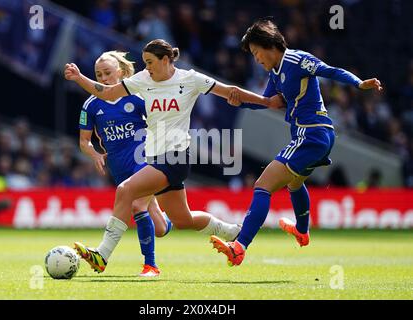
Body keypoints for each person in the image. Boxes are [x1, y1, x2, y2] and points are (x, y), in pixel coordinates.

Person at [65, 39, 284, 273]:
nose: (146, 67)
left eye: (150, 62)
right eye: (145, 62)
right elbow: (108, 94)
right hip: (156, 157)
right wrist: (79, 78)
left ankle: (103, 255)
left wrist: (266, 101)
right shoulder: (143, 80)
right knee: (183, 220)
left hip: (176, 156)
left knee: (126, 191)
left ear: (166, 60)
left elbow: (230, 91)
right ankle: (234, 231)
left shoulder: (189, 79)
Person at [210, 19, 383, 266]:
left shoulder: (297, 60)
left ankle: (239, 246)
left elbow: (329, 70)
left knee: (263, 185)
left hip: (311, 134)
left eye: (256, 53)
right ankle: (302, 231)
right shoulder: (275, 72)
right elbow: (270, 102)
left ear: (269, 45)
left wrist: (358, 83)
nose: (256, 59)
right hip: (316, 135)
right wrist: (240, 101)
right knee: (294, 182)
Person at [75, 50, 172, 277]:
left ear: (120, 72)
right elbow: (83, 141)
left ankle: (151, 266)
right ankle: (172, 221)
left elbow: (160, 122)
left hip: (145, 159)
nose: (103, 78)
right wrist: (95, 154)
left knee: (137, 205)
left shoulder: (137, 97)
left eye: (107, 73)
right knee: (158, 227)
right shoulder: (91, 105)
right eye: (99, 75)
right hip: (119, 167)